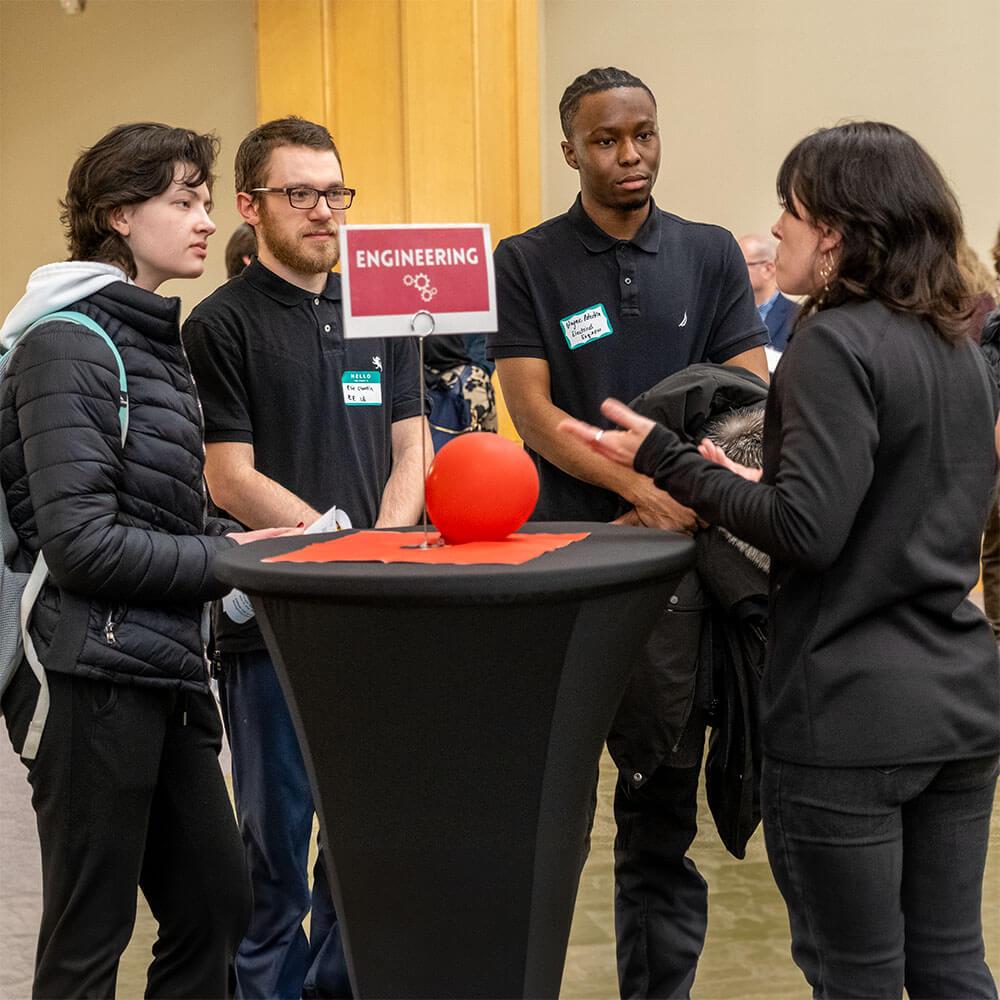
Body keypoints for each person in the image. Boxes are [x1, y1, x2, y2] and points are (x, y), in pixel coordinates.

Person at [562, 121, 999, 999]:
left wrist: (669, 460)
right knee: (952, 965)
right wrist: (752, 478)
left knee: (856, 975)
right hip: (958, 700)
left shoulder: (831, 342)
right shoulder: (955, 346)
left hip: (849, 715)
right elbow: (893, 499)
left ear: (836, 231)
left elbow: (806, 531)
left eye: (791, 212)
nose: (781, 229)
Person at [487, 66, 768, 999]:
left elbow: (747, 400)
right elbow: (532, 412)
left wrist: (687, 496)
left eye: (642, 133)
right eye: (605, 140)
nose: (630, 154)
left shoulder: (709, 254)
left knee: (660, 819)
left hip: (682, 580)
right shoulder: (527, 261)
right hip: (567, 568)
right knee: (552, 822)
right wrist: (643, 487)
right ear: (570, 151)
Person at [0, 122, 292, 999]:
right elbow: (81, 543)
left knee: (215, 906)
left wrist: (235, 557)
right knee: (89, 938)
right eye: (184, 202)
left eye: (205, 203)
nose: (206, 221)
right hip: (88, 674)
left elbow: (156, 504)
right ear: (120, 216)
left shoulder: (149, 341)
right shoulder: (67, 344)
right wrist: (233, 558)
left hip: (162, 667)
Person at [183, 116, 428, 1000]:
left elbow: (413, 446)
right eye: (300, 194)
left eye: (335, 191)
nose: (324, 211)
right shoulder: (220, 325)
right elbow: (229, 477)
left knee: (362, 860)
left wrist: (382, 554)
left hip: (376, 614)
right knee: (277, 862)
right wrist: (335, 548)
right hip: (276, 630)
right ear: (250, 207)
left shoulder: (382, 305)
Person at [737, 233, 797, 356]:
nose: (732, 271)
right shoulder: (724, 311)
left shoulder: (796, 318)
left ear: (768, 269)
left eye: (739, 264)